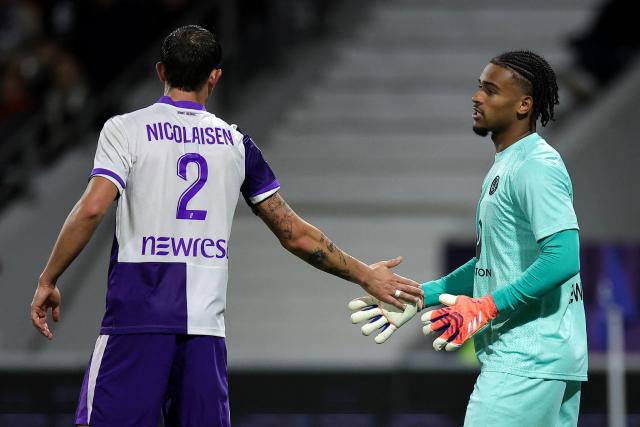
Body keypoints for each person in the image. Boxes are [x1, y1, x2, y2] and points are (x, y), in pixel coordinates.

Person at [29, 25, 423, 427]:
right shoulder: (236, 144)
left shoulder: (125, 130)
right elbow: (295, 234)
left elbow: (93, 208)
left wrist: (49, 278)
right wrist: (365, 276)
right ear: (215, 76)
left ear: (161, 71)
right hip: (204, 333)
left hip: (137, 322)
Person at [350, 50, 587, 426]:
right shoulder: (510, 164)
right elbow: (497, 260)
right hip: (543, 360)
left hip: (524, 363)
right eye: (479, 88)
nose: (477, 97)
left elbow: (563, 257)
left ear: (523, 105)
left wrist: (486, 308)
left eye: (491, 91)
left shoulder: (534, 167)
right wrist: (421, 295)